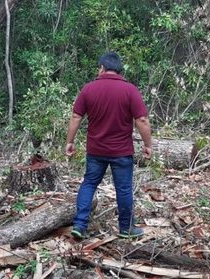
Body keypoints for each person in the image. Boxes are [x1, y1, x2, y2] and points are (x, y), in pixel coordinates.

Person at [65, 52, 152, 239]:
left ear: (102, 68)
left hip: (96, 151)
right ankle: (126, 228)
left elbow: (75, 116)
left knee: (89, 183)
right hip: (121, 152)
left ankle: (79, 225)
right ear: (120, 71)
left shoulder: (89, 89)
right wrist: (148, 145)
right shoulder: (130, 90)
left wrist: (70, 142)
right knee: (124, 189)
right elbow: (142, 120)